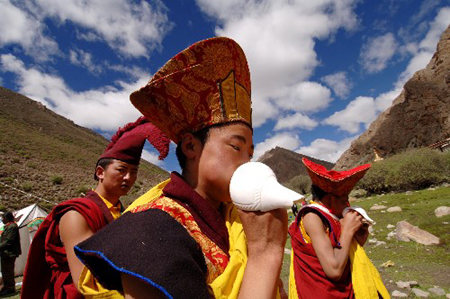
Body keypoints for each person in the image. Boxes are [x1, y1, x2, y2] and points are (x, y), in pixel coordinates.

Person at [74, 37, 288, 299]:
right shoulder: (150, 231)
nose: (246, 162)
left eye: (250, 154)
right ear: (190, 147)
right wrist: (265, 253)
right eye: (236, 147)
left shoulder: (236, 216)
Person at [21, 117, 169, 299]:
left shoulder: (123, 213)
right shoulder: (76, 214)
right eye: (121, 170)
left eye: (134, 172)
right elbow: (87, 279)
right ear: (100, 172)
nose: (128, 178)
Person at [289, 158, 389, 299]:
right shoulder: (312, 217)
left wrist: (358, 237)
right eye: (343, 198)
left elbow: (341, 253)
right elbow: (334, 270)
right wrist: (348, 230)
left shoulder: (333, 216)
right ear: (329, 199)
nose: (347, 203)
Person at [0, 211, 21, 296]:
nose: (2, 219)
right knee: (5, 271)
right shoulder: (8, 226)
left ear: (7, 218)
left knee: (8, 271)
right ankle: (6, 287)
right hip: (5, 253)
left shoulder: (12, 227)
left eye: (3, 218)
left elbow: (9, 241)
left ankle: (10, 288)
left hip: (10, 253)